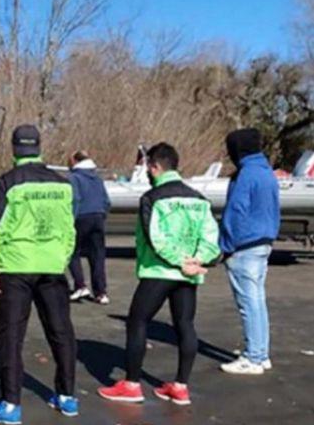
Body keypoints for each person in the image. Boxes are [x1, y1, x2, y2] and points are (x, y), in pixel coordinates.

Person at [98, 143, 221, 406]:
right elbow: (211, 238)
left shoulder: (152, 198)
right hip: (189, 272)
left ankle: (131, 385)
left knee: (137, 321)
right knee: (185, 325)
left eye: (148, 168)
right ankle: (180, 386)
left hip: (160, 270)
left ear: (155, 167)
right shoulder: (199, 199)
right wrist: (198, 259)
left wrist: (179, 261)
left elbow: (156, 238)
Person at [0, 125, 78, 425]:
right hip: (51, 266)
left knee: (11, 335)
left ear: (14, 149)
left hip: (16, 266)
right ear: (39, 147)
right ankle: (67, 397)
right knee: (61, 332)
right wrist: (62, 257)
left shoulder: (8, 182)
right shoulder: (63, 184)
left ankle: (10, 404)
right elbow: (69, 229)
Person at [218, 128, 280, 375]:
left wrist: (224, 245)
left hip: (245, 245)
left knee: (248, 302)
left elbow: (235, 211)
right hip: (264, 242)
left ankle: (253, 357)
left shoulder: (246, 175)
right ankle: (260, 352)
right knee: (257, 301)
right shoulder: (266, 173)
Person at [67, 150, 111, 304]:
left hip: (82, 217)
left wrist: (71, 219)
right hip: (98, 217)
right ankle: (101, 292)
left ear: (75, 161)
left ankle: (80, 285)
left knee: (72, 251)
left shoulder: (74, 178)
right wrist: (102, 214)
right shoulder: (97, 179)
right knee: (97, 255)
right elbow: (106, 200)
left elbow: (75, 199)